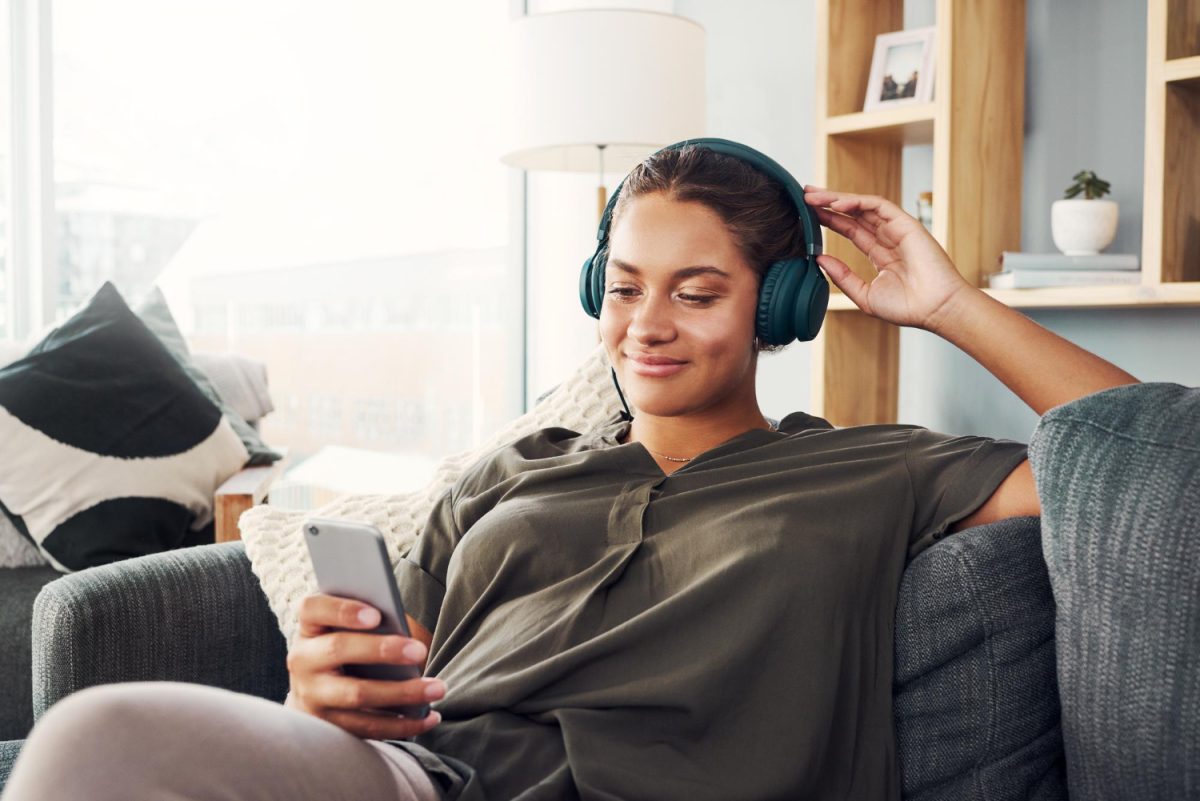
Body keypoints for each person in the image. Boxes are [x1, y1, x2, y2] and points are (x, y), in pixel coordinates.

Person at [1, 141, 1138, 801]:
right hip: (419, 783)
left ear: (780, 309)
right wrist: (320, 692)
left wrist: (944, 305)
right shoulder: (520, 467)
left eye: (697, 292)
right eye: (628, 284)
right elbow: (395, 685)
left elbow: (1144, 466)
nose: (647, 323)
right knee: (96, 739)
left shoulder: (875, 473)